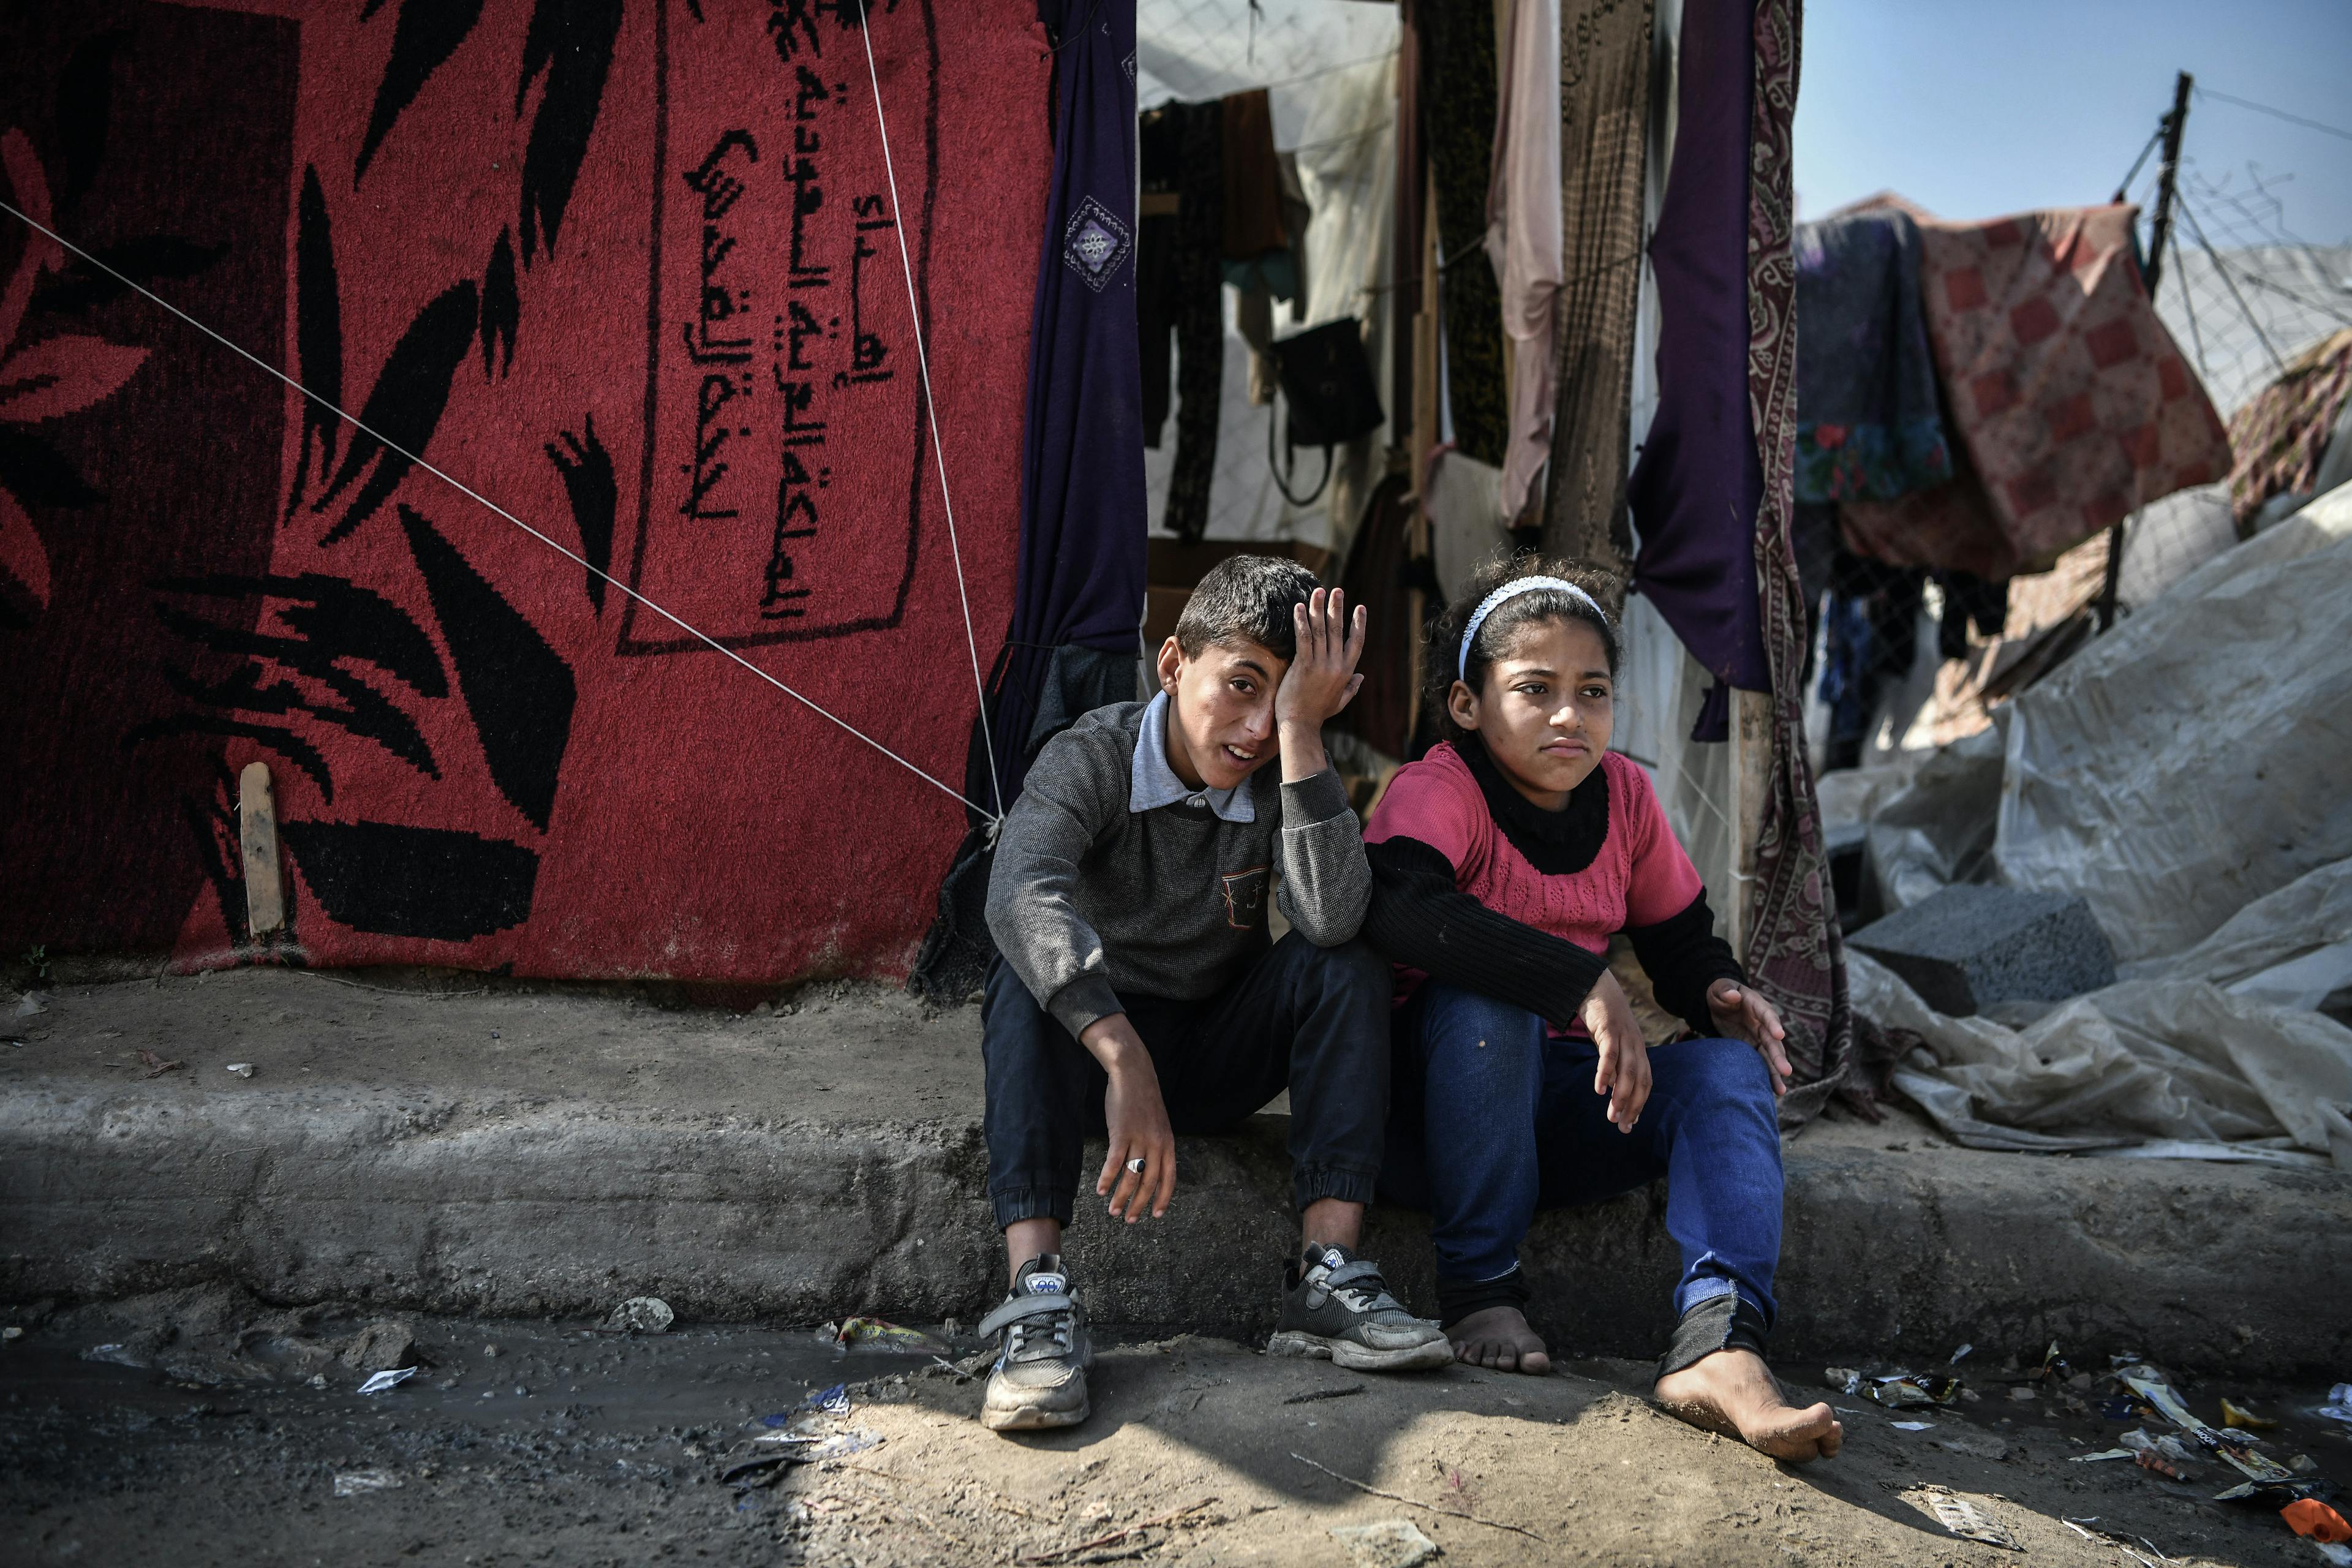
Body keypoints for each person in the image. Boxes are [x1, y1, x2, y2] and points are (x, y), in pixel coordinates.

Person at [1359, 556, 1842, 1463]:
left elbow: (1678, 936)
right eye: (1534, 690)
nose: (1569, 716)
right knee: (1487, 1004)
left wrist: (1717, 990)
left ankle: (1719, 1341)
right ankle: (1479, 1285)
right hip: (1428, 1126)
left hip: (1560, 1118)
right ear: (1467, 704)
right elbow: (1400, 909)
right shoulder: (1439, 789)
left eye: (1593, 691)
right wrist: (1579, 982)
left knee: (1725, 1074)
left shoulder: (1625, 795)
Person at [976, 556, 1450, 1432]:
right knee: (1020, 977)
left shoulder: (1284, 771)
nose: (1257, 724)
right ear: (1171, 665)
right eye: (1240, 684)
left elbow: (1333, 915)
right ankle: (1036, 1299)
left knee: (1343, 960)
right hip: (1093, 1062)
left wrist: (1308, 741)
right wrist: (1120, 1052)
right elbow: (1020, 889)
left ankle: (1330, 1273)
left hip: (1211, 1054)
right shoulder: (1092, 755)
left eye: (1289, 696)